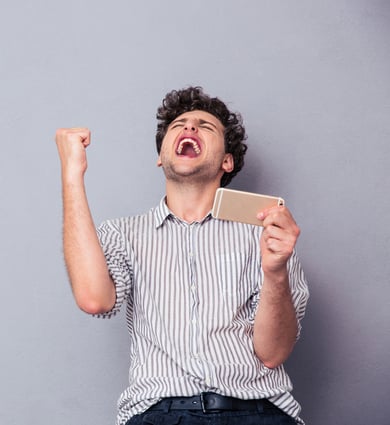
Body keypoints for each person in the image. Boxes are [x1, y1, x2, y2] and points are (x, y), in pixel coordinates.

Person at [54, 86, 309, 425]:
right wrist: (72, 173)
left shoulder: (266, 234)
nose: (189, 127)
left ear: (227, 161)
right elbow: (94, 300)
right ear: (161, 156)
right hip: (160, 415)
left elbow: (273, 352)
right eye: (178, 125)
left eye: (205, 126)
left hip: (256, 411)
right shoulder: (123, 234)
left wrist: (275, 270)